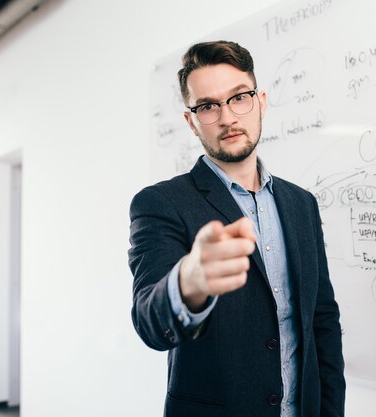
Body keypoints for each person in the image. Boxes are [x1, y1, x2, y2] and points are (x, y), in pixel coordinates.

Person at [128, 40, 345, 417]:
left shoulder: (301, 204)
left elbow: (321, 320)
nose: (227, 117)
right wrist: (188, 283)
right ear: (191, 121)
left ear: (260, 102)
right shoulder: (160, 203)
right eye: (208, 106)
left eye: (238, 98)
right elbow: (149, 321)